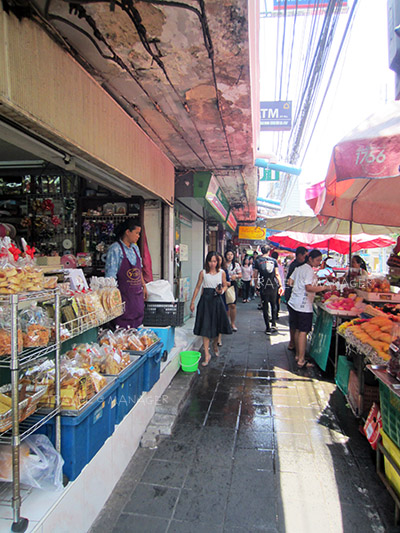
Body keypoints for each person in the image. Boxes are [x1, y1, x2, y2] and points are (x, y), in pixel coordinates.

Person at [287, 249, 334, 368]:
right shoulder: (308, 270)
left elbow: (290, 282)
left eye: (320, 260)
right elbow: (308, 288)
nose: (319, 262)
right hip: (303, 305)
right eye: (317, 260)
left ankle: (298, 355)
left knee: (298, 330)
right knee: (303, 332)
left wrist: (300, 286)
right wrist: (324, 288)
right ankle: (301, 360)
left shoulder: (299, 268)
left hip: (294, 303)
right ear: (310, 259)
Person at [190, 251, 232, 366]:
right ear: (207, 262)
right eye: (210, 261)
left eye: (214, 261)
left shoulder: (221, 273)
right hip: (205, 301)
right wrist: (193, 302)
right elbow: (198, 287)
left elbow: (225, 285)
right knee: (205, 326)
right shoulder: (203, 273)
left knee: (217, 326)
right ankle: (207, 354)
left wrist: (221, 291)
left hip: (217, 300)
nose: (212, 264)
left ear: (217, 262)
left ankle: (214, 345)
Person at [105, 218, 148, 328]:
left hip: (136, 297)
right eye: (137, 233)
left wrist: (144, 286)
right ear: (127, 232)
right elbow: (110, 277)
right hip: (122, 297)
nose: (138, 236)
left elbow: (140, 269)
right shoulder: (115, 249)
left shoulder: (135, 248)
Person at [253, 245, 283, 335]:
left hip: (263, 285)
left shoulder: (258, 261)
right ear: (269, 251)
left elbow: (255, 275)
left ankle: (267, 328)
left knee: (265, 306)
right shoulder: (274, 261)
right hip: (273, 285)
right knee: (274, 305)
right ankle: (273, 323)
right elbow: (277, 274)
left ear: (261, 251)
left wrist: (256, 286)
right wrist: (280, 285)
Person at [285, 246, 308, 351]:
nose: (306, 257)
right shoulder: (296, 266)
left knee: (294, 321)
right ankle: (293, 343)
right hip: (293, 296)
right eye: (305, 255)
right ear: (299, 255)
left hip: (293, 295)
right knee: (294, 321)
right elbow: (291, 282)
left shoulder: (297, 265)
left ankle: (294, 343)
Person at [224, 249, 242, 331]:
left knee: (232, 304)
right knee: (225, 305)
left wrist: (236, 276)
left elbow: (240, 274)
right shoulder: (223, 265)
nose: (229, 256)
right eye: (228, 254)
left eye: (231, 254)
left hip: (232, 285)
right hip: (224, 284)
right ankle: (226, 323)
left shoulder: (236, 265)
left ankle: (232, 323)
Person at [271, 250, 285, 318]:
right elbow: (282, 277)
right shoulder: (280, 266)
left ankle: (273, 314)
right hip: (278, 285)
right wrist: (282, 286)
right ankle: (276, 314)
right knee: (277, 300)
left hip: (271, 285)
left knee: (272, 301)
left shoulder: (270, 265)